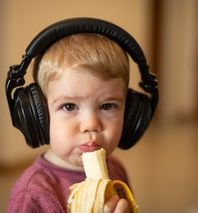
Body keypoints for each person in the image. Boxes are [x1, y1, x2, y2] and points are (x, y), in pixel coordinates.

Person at [7, 33, 133, 212]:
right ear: (40, 115)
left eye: (107, 106)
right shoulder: (32, 196)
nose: (90, 124)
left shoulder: (116, 170)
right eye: (69, 106)